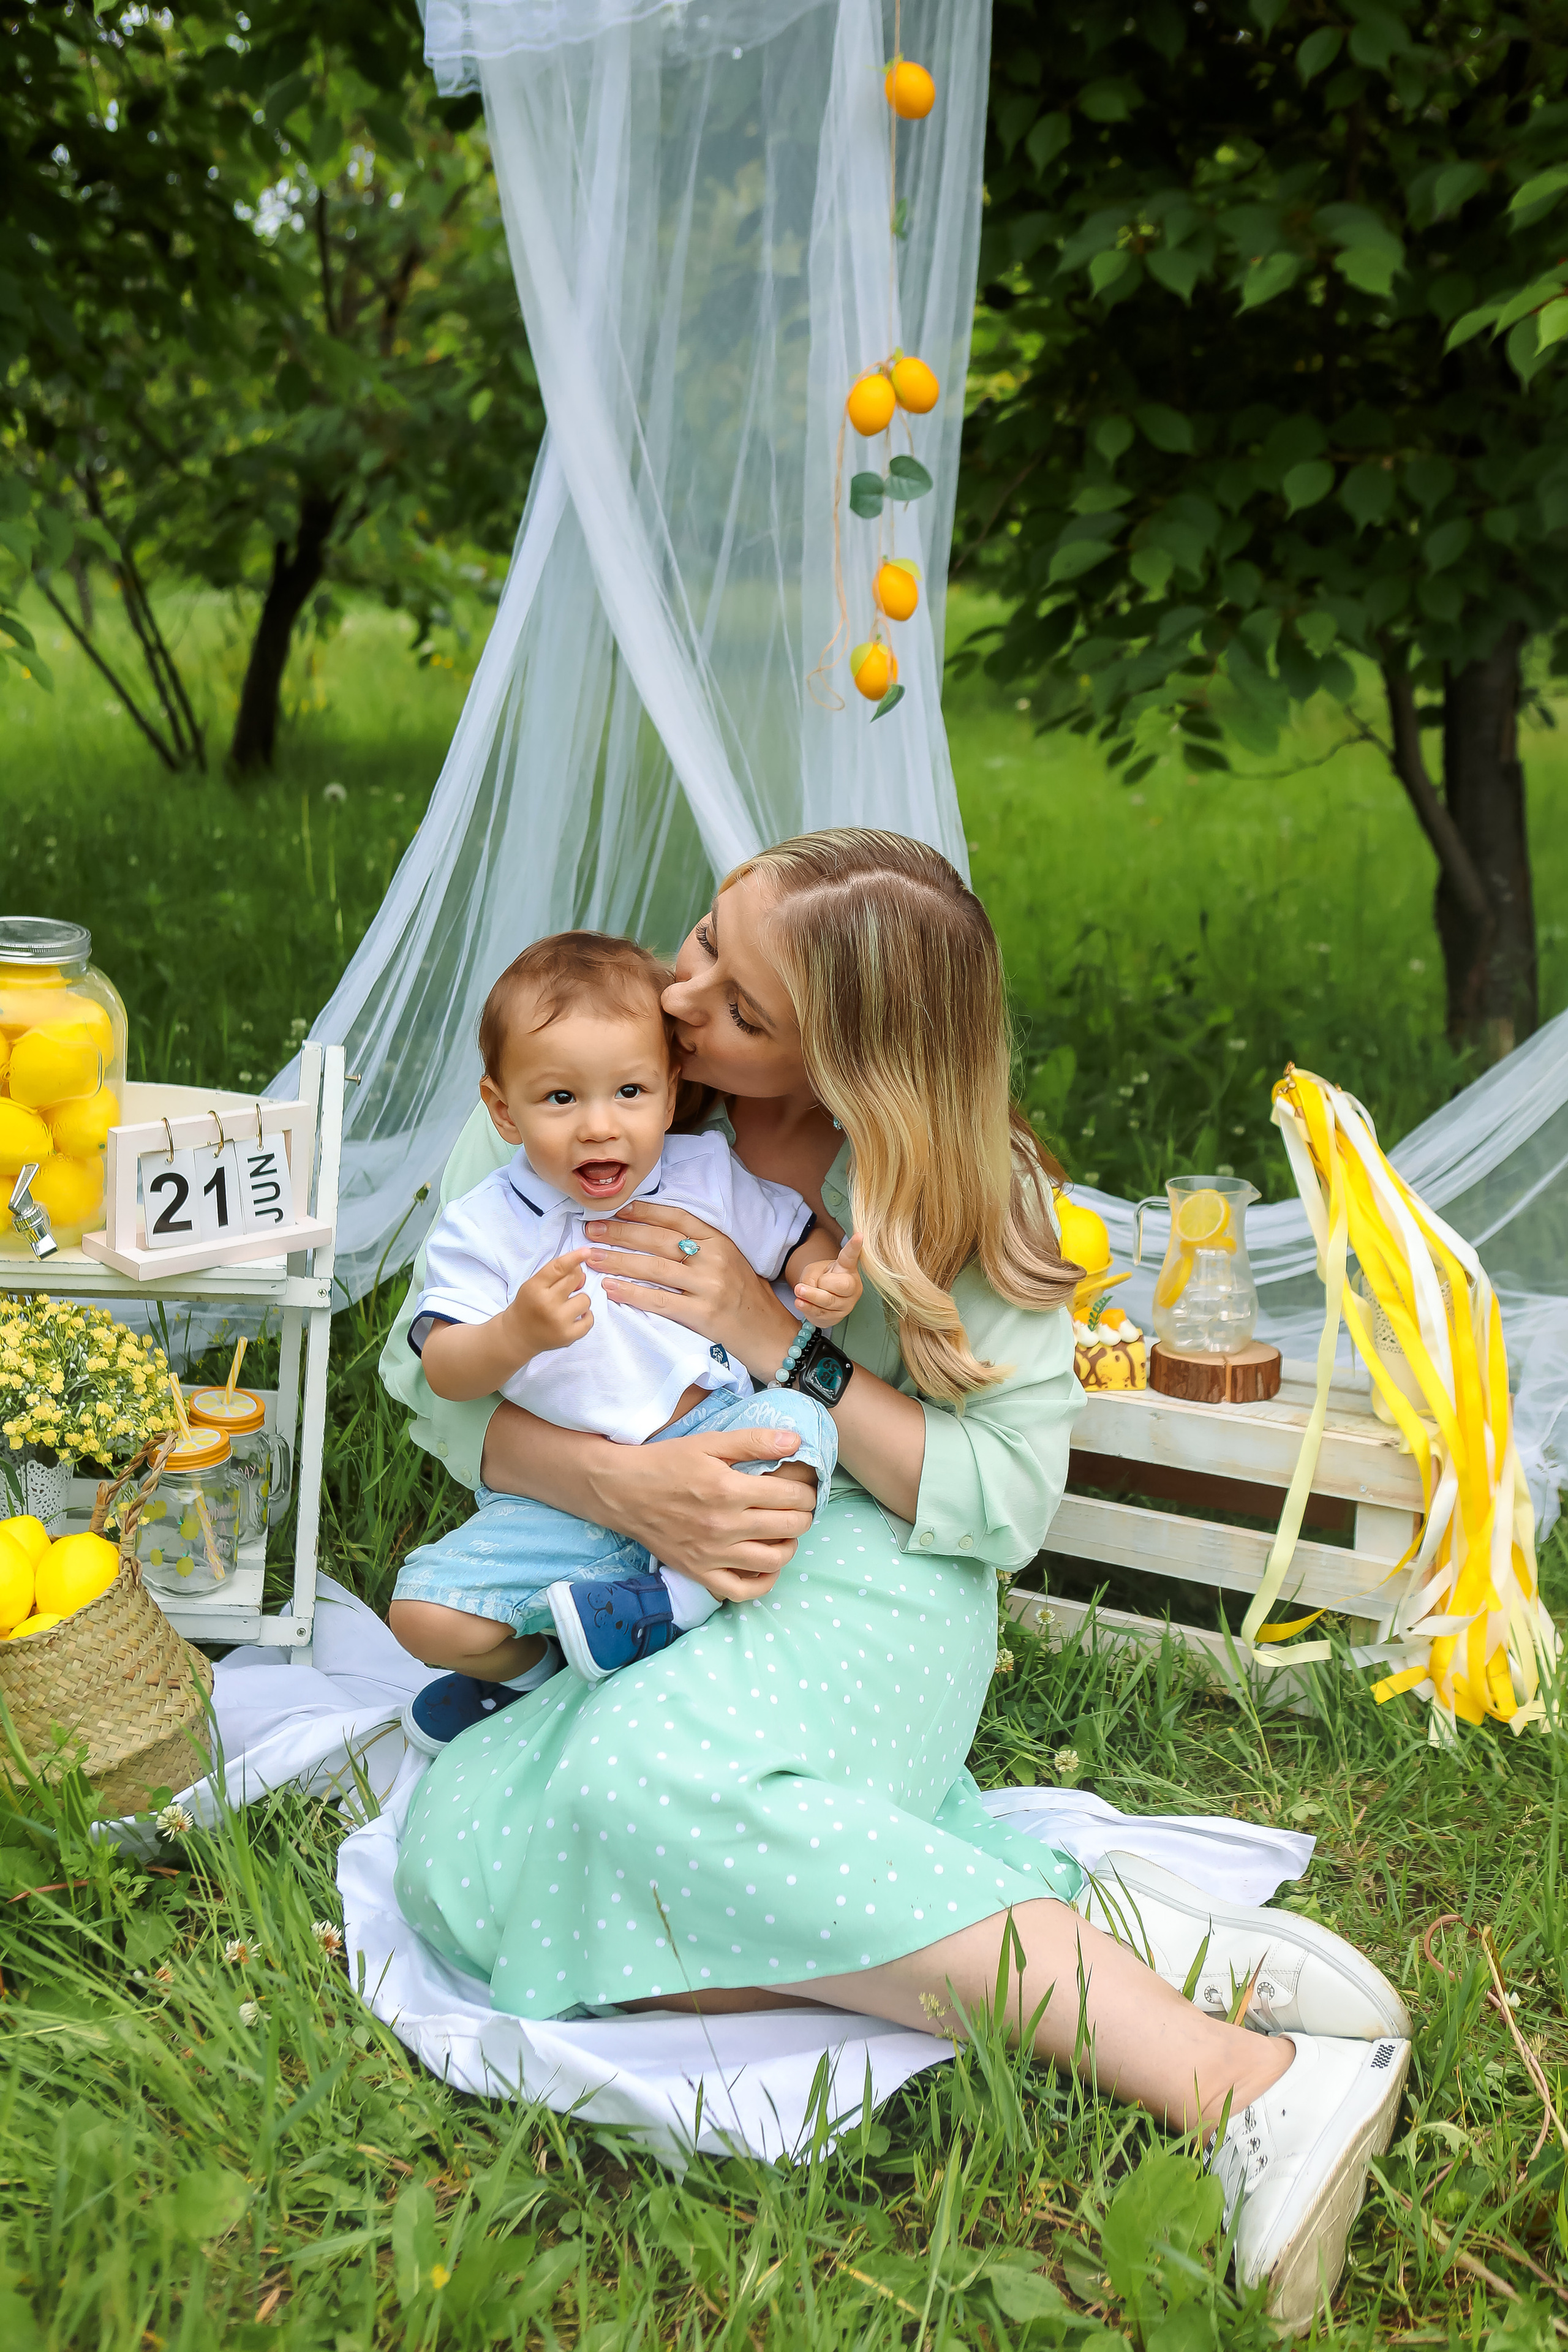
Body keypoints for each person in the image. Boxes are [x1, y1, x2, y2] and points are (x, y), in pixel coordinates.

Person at [382, 831, 1411, 2327]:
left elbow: (1000, 1499)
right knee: (467, 1871)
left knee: (632, 1802)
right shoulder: (578, 1081)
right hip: (644, 1542)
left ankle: (1242, 2084)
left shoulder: (948, 1193)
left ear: (846, 1058)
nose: (674, 1002)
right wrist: (625, 1488)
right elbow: (433, 1390)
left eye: (733, 1005)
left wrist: (776, 1342)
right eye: (697, 942)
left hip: (874, 1561)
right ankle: (1084, 1930)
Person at [388, 930, 862, 1728]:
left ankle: (668, 1604)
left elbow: (792, 1239)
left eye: (630, 1093)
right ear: (503, 1110)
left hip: (715, 1437)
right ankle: (537, 1673)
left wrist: (822, 1277)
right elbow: (445, 1370)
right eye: (561, 1099)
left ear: (672, 1093)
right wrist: (516, 1333)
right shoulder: (484, 1228)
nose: (600, 1127)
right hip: (568, 1495)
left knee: (799, 1428)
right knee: (421, 1615)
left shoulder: (705, 1174)